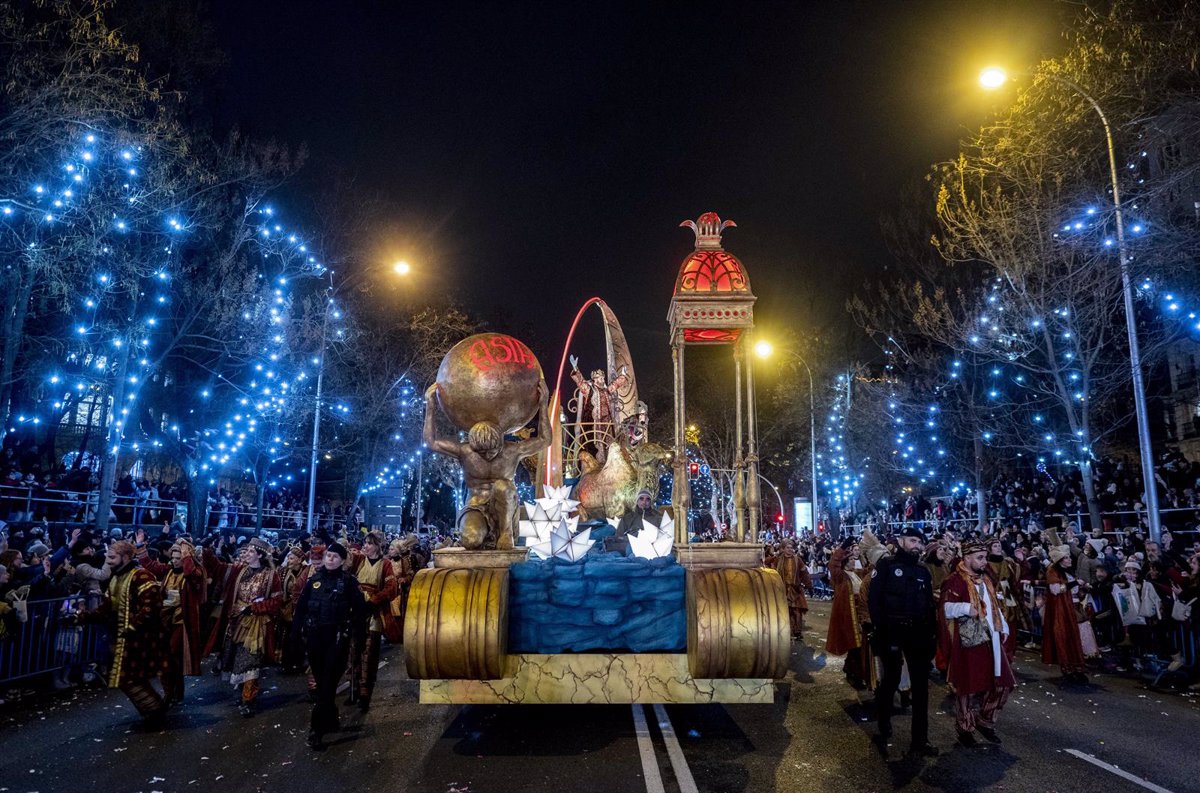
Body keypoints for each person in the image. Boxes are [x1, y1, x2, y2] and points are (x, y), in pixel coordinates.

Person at [423, 380, 551, 550]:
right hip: (475, 506)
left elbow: (545, 440)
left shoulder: (513, 450)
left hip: (505, 509)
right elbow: (431, 442)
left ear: (500, 443)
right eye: (482, 453)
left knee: (502, 486)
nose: (487, 455)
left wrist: (543, 404)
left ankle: (505, 533)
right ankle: (484, 534)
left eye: (492, 451)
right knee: (470, 540)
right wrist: (430, 406)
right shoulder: (465, 451)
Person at [76, 541, 169, 727]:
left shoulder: (141, 576)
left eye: (112, 557)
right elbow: (106, 608)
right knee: (128, 678)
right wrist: (83, 616)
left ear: (125, 557)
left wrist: (132, 626)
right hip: (125, 638)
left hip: (141, 639)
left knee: (129, 678)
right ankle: (153, 711)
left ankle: (155, 711)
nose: (108, 561)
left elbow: (151, 606)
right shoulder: (115, 579)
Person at [866, 526, 938, 758]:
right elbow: (874, 601)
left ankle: (920, 739)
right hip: (891, 633)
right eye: (912, 540)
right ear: (900, 541)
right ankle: (884, 720)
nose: (916, 545)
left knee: (920, 689)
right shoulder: (886, 567)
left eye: (919, 541)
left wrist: (931, 636)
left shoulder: (922, 571)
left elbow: (928, 605)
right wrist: (881, 631)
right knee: (892, 679)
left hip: (918, 635)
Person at [291, 541, 367, 750]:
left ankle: (316, 729)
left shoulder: (349, 583)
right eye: (328, 556)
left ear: (342, 560)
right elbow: (301, 610)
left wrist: (359, 640)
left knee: (327, 682)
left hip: (337, 638)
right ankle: (331, 717)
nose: (330, 559)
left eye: (335, 557)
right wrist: (294, 637)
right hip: (315, 638)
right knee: (323, 680)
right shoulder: (313, 581)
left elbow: (360, 613)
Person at [940, 540, 1015, 747]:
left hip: (991, 637)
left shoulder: (986, 579)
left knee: (1003, 685)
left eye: (985, 557)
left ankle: (985, 720)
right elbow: (944, 608)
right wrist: (965, 608)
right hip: (969, 642)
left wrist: (1004, 627)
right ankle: (965, 727)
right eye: (980, 557)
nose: (984, 561)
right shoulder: (955, 580)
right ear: (967, 558)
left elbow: (993, 605)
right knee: (968, 688)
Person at [203, 537, 284, 716]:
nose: (245, 554)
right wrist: (208, 550)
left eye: (250, 552)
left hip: (256, 624)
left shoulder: (271, 576)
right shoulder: (239, 570)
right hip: (236, 622)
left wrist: (255, 608)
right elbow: (217, 569)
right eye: (245, 551)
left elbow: (277, 601)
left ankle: (249, 699)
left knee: (251, 660)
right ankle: (243, 692)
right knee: (236, 658)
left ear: (260, 555)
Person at [136, 534, 206, 705]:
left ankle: (174, 690)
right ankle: (171, 691)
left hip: (182, 622)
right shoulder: (168, 571)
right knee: (166, 658)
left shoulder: (195, 573)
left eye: (178, 558)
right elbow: (150, 565)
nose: (174, 561)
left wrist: (186, 552)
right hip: (165, 620)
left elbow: (190, 572)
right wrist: (140, 545)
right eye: (173, 558)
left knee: (173, 654)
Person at [345, 530, 400, 711]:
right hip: (355, 613)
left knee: (368, 655)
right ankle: (352, 691)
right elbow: (345, 567)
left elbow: (391, 589)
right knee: (353, 652)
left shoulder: (385, 565)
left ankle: (364, 695)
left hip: (373, 615)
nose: (365, 546)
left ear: (377, 545)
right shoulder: (359, 560)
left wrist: (373, 601)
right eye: (365, 542)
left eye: (369, 543)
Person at [1041, 532, 1088, 683]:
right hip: (1060, 610)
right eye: (1066, 558)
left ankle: (1078, 668)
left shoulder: (1068, 571)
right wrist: (1074, 584)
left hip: (1071, 607)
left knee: (1074, 637)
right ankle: (1067, 668)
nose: (1069, 560)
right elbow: (1055, 590)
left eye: (1069, 557)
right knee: (1063, 636)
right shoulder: (1053, 571)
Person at [774, 538, 811, 637]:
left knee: (797, 611)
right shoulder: (778, 559)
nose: (790, 550)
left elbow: (804, 572)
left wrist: (808, 585)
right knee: (786, 611)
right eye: (787, 548)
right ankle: (788, 631)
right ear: (783, 549)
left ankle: (797, 631)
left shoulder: (797, 559)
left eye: (791, 548)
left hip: (796, 589)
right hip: (783, 589)